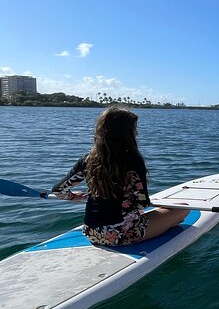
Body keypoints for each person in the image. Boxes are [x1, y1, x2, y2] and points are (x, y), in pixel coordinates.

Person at [52, 105, 188, 246]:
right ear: (126, 133)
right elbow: (142, 203)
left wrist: (74, 196)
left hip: (91, 232)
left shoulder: (88, 160)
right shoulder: (133, 161)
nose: (137, 133)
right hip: (123, 234)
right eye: (134, 129)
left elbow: (58, 191)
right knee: (183, 208)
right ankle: (166, 225)